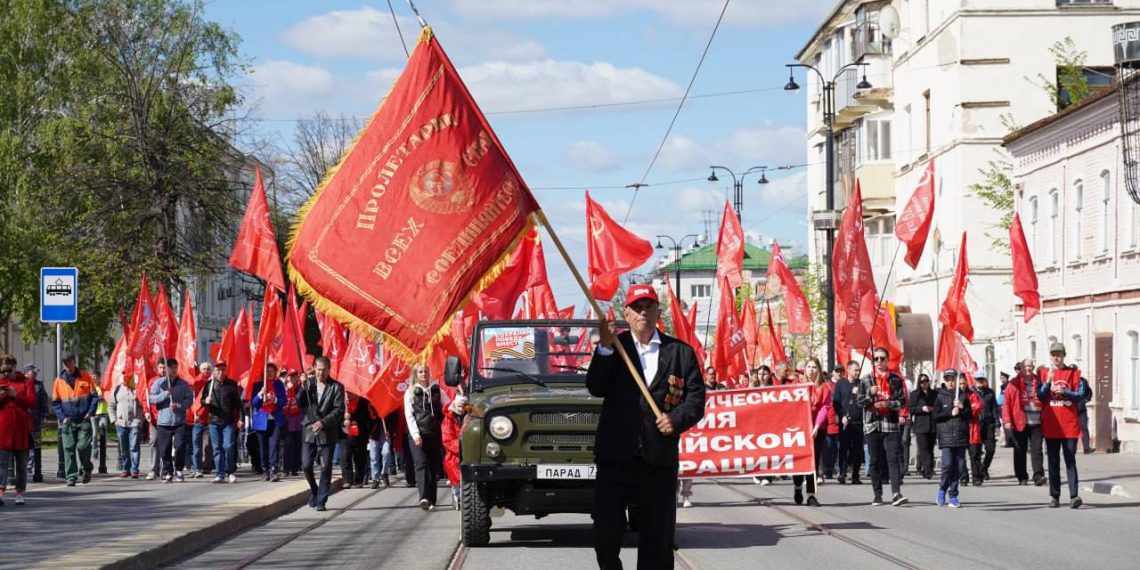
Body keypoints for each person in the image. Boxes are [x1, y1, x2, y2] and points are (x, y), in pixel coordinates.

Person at [587, 284, 706, 570]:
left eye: (648, 306)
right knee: (606, 531)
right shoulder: (615, 347)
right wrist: (603, 349)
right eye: (637, 307)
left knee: (658, 536)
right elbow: (596, 387)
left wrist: (676, 420)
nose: (643, 312)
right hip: (617, 456)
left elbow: (696, 399)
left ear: (658, 311)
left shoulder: (680, 352)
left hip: (658, 460)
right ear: (626, 313)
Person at [1037, 342, 1091, 509]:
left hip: (1069, 426)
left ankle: (1074, 495)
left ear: (1064, 355)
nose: (1056, 357)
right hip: (1052, 426)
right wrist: (1047, 383)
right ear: (1050, 356)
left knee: (1070, 461)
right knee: (1053, 462)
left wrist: (1065, 392)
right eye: (1054, 354)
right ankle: (1055, 496)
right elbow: (1040, 396)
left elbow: (1081, 395)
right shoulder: (1044, 373)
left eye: (1059, 354)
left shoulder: (1074, 373)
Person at [857, 347, 908, 507]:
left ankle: (896, 493)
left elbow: (902, 401)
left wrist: (889, 403)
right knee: (874, 461)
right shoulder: (866, 379)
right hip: (872, 424)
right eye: (876, 359)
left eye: (882, 358)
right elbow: (859, 402)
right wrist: (870, 395)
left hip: (890, 424)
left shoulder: (895, 379)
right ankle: (877, 495)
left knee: (892, 459)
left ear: (887, 360)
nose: (879, 361)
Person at [297, 356, 346, 511]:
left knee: (325, 467)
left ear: (328, 369)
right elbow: (300, 403)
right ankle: (314, 490)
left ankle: (321, 501)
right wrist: (302, 386)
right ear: (314, 369)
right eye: (318, 370)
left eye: (324, 370)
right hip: (309, 430)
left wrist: (324, 422)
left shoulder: (336, 387)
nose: (321, 373)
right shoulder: (309, 384)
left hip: (327, 431)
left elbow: (339, 410)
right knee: (306, 465)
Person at [52, 354, 99, 486]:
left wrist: (90, 413)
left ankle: (86, 469)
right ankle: (71, 477)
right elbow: (55, 402)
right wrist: (62, 418)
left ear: (74, 361)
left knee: (82, 446)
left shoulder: (85, 376)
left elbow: (95, 397)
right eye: (64, 363)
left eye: (69, 362)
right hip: (68, 420)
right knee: (68, 449)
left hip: (83, 419)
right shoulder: (59, 381)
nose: (67, 365)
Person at [404, 363, 444, 510]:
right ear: (415, 374)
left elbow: (447, 405)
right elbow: (409, 415)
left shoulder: (436, 389)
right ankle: (423, 497)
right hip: (418, 434)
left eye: (425, 371)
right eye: (420, 372)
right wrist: (415, 434)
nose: (423, 374)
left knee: (433, 466)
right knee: (421, 464)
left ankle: (432, 498)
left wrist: (461, 404)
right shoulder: (410, 392)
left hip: (434, 433)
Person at [149, 358, 193, 483]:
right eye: (170, 368)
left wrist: (178, 405)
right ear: (166, 369)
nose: (173, 370)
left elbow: (189, 399)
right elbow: (151, 399)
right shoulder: (159, 383)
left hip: (179, 421)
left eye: (175, 367)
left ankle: (179, 469)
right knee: (164, 449)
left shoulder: (183, 384)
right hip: (163, 421)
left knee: (179, 446)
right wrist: (165, 395)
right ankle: (167, 472)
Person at [1004, 358, 1046, 486]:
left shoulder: (1039, 381)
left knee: (1037, 450)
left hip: (1037, 422)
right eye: (1026, 366)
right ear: (1021, 368)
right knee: (1020, 450)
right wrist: (1007, 421)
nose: (1028, 368)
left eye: (1031, 366)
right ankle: (1022, 476)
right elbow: (1007, 404)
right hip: (1020, 422)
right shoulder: (1013, 384)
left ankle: (1038, 476)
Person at [934, 369, 971, 508]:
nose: (950, 381)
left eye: (952, 379)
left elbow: (970, 415)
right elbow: (936, 415)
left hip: (960, 435)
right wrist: (950, 411)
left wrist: (962, 408)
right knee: (947, 465)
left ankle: (954, 495)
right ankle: (942, 488)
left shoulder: (962, 396)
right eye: (948, 379)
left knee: (959, 466)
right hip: (946, 436)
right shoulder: (939, 396)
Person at [0, 355, 35, 506]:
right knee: (2, 463)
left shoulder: (26, 382)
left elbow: (31, 402)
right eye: (3, 371)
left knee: (21, 464)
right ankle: (0, 492)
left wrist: (16, 395)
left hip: (21, 429)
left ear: (14, 367)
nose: (6, 374)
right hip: (3, 430)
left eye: (9, 370)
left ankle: (19, 492)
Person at [203, 361, 241, 483]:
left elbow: (238, 404)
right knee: (217, 448)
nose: (221, 372)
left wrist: (241, 418)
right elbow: (202, 401)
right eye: (218, 370)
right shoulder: (209, 385)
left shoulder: (231, 384)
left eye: (223, 369)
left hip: (228, 421)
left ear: (226, 370)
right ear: (214, 371)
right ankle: (220, 473)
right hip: (214, 421)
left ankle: (230, 471)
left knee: (229, 446)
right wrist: (206, 401)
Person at [252, 364, 288, 482]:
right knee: (262, 446)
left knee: (274, 445)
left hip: (275, 420)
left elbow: (284, 402)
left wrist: (275, 400)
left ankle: (273, 469)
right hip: (262, 420)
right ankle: (265, 470)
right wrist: (260, 394)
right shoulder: (258, 385)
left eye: (272, 371)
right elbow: (254, 403)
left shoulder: (279, 384)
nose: (270, 373)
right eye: (267, 371)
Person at [833, 360, 863, 485]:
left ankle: (855, 475)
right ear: (849, 370)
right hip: (845, 422)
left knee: (857, 450)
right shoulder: (841, 384)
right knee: (844, 449)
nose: (857, 372)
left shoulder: (861, 384)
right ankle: (842, 473)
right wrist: (842, 415)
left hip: (858, 421)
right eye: (855, 370)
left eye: (858, 370)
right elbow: (836, 402)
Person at [108, 372, 143, 478]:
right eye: (124, 375)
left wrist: (141, 419)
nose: (125, 377)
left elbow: (143, 405)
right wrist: (113, 420)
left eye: (128, 375)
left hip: (134, 422)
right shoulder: (117, 389)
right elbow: (111, 406)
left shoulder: (137, 389)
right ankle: (125, 468)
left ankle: (134, 469)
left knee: (134, 447)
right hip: (120, 423)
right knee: (124, 447)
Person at [339, 392, 372, 488]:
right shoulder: (341, 402)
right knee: (345, 456)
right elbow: (335, 415)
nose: (347, 394)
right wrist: (343, 420)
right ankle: (347, 480)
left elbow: (369, 417)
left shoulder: (363, 401)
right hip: (345, 434)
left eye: (350, 392)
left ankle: (359, 480)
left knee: (360, 457)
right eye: (346, 392)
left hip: (360, 434)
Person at [24, 365, 50, 482]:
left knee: (37, 444)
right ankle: (25, 465)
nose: (35, 374)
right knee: (25, 444)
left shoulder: (39, 385)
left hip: (36, 419)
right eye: (33, 372)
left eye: (36, 373)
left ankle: (34, 468)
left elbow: (44, 401)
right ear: (27, 373)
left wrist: (45, 416)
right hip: (24, 420)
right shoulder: (22, 384)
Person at [908, 373, 938, 479]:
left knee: (930, 448)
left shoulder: (934, 393)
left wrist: (933, 409)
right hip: (920, 425)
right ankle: (927, 470)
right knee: (923, 448)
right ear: (919, 383)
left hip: (932, 424)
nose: (924, 383)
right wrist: (922, 409)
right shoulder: (915, 394)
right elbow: (911, 409)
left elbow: (938, 406)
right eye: (922, 381)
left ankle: (928, 468)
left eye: (926, 381)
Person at [442, 390, 468, 509]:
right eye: (459, 406)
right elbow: (447, 438)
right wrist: (460, 447)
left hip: (468, 452)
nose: (461, 409)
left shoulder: (471, 416)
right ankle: (456, 496)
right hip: (454, 454)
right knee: (455, 478)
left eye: (463, 406)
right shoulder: (448, 419)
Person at [971, 372, 998, 483]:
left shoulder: (990, 392)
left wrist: (997, 424)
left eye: (982, 379)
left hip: (988, 424)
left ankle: (984, 467)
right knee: (976, 451)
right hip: (976, 424)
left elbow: (995, 409)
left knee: (991, 449)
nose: (980, 382)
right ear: (974, 380)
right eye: (978, 379)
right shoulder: (970, 392)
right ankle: (977, 474)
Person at [188, 362, 214, 478]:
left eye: (208, 369)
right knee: (196, 445)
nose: (206, 371)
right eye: (204, 369)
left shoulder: (213, 383)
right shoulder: (195, 382)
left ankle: (206, 466)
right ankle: (196, 468)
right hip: (197, 419)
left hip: (209, 419)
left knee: (207, 445)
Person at [282, 369, 305, 476]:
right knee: (288, 446)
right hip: (288, 421)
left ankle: (295, 468)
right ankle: (286, 469)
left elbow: (303, 402)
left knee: (297, 445)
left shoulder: (301, 389)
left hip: (300, 422)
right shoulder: (284, 390)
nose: (292, 378)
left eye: (295, 376)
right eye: (290, 376)